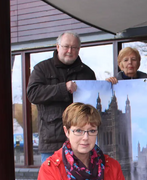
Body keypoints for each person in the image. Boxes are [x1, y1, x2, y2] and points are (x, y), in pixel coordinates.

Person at [27, 31, 96, 164]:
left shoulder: (87, 72)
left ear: (79, 49)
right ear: (58, 47)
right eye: (66, 46)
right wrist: (62, 88)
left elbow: (93, 104)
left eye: (74, 47)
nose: (70, 51)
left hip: (81, 140)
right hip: (52, 141)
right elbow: (33, 94)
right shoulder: (42, 69)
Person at [106, 47, 147, 180]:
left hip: (140, 138)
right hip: (120, 156)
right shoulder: (113, 84)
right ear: (120, 64)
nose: (130, 63)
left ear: (138, 63)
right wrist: (107, 84)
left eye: (133, 59)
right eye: (126, 60)